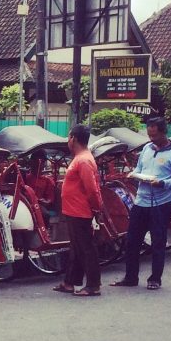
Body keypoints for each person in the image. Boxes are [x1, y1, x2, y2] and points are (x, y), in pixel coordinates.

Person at [111, 116, 171, 291]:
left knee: (158, 242)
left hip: (161, 203)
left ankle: (155, 279)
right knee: (132, 241)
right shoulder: (146, 148)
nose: (151, 139)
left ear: (163, 133)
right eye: (149, 134)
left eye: (154, 135)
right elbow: (139, 169)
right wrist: (134, 175)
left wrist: (163, 183)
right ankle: (130, 277)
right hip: (141, 201)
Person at [53, 124, 104, 297]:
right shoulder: (81, 158)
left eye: (68, 137)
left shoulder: (83, 160)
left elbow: (92, 189)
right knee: (76, 248)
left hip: (80, 211)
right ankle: (69, 282)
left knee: (86, 249)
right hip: (74, 210)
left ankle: (93, 285)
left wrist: (97, 208)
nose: (68, 140)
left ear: (73, 138)